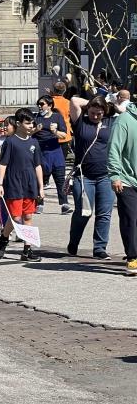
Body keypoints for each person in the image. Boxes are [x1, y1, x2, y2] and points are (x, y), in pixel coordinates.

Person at [67, 95, 116, 259]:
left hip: (106, 175)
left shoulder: (110, 122)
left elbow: (124, 109)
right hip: (84, 176)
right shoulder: (81, 121)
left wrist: (109, 105)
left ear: (105, 112)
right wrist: (93, 103)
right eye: (93, 113)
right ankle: (74, 241)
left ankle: (100, 248)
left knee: (104, 213)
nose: (96, 116)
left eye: (99, 113)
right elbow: (74, 100)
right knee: (83, 212)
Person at [0, 108, 45, 262]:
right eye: (27, 122)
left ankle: (27, 250)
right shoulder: (10, 141)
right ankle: (4, 239)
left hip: (30, 184)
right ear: (18, 123)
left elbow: (38, 165)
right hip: (13, 183)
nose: (31, 125)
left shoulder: (34, 142)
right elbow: (3, 163)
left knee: (28, 216)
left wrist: (41, 187)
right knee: (16, 218)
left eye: (32, 123)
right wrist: (0, 184)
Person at [108, 97, 137, 275]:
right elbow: (114, 149)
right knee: (131, 220)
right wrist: (115, 175)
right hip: (126, 179)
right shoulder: (124, 120)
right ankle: (132, 257)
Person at [34, 95, 71, 215]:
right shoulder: (35, 117)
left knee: (60, 178)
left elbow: (64, 135)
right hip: (41, 152)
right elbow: (28, 133)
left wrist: (55, 131)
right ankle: (39, 203)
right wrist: (35, 130)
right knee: (41, 179)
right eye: (38, 104)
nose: (40, 106)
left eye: (42, 104)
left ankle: (64, 204)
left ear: (50, 106)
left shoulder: (57, 117)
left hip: (55, 151)